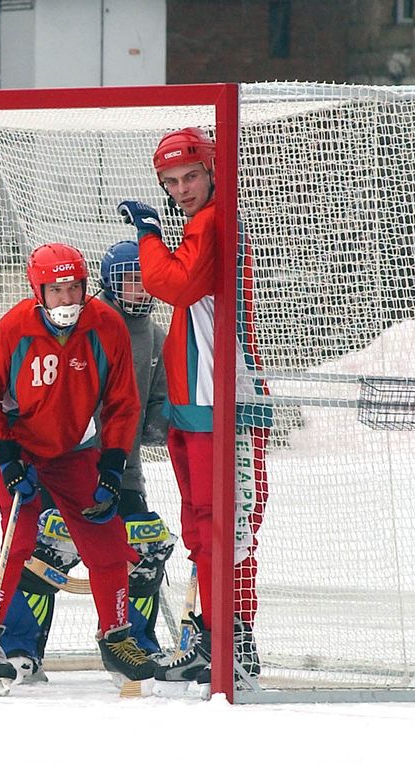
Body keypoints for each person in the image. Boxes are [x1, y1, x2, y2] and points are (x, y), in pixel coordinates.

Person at [0, 242, 158, 691]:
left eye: (74, 288)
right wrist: (8, 458)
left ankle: (116, 636)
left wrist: (112, 466)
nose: (67, 299)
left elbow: (123, 404)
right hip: (14, 443)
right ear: (39, 291)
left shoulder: (107, 326)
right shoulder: (14, 329)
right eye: (57, 290)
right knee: (13, 534)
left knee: (107, 537)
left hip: (74, 446)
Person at [118, 127, 271, 687]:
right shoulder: (200, 221)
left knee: (225, 525)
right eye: (171, 181)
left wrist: (149, 236)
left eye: (190, 177)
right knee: (201, 525)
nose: (182, 188)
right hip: (194, 400)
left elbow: (174, 286)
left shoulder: (212, 221)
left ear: (212, 171)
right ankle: (212, 637)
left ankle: (231, 641)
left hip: (219, 400)